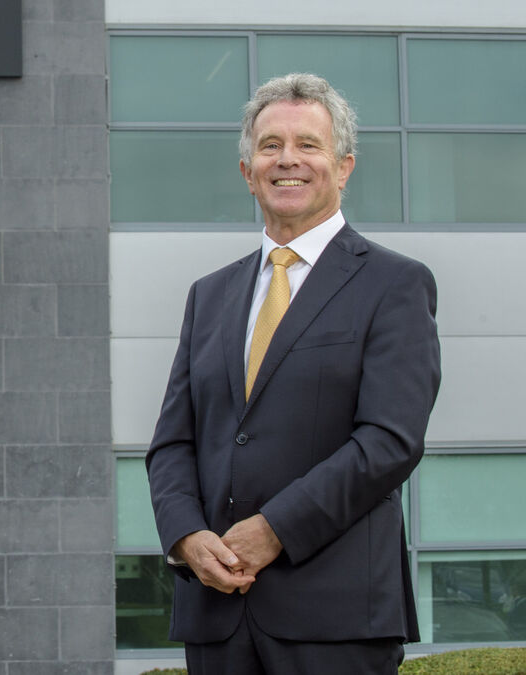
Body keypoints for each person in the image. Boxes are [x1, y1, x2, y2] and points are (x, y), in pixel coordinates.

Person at [146, 73, 441, 674]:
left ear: (344, 166)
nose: (287, 160)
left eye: (308, 144)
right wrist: (184, 537)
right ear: (247, 170)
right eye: (270, 145)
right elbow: (173, 441)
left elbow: (390, 440)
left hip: (335, 618)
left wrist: (275, 529)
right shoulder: (209, 295)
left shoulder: (395, 284)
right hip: (217, 613)